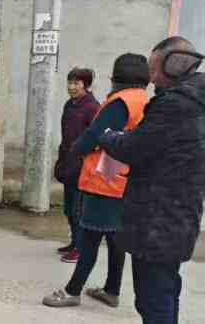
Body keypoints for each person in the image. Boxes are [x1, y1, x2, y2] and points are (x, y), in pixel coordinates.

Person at [99, 37, 205, 324]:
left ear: (175, 65)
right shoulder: (196, 99)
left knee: (153, 299)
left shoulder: (176, 104)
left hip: (158, 220)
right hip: (180, 214)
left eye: (155, 69)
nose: (152, 77)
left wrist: (108, 137)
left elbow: (135, 148)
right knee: (166, 290)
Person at [43, 53, 150, 308]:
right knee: (115, 238)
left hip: (105, 179)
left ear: (116, 77)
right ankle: (112, 290)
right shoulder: (143, 100)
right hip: (125, 178)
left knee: (89, 236)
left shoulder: (120, 102)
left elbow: (94, 135)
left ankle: (72, 291)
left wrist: (76, 150)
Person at [54, 67, 100, 263]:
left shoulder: (92, 107)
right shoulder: (69, 105)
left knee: (78, 209)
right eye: (70, 82)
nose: (71, 87)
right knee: (68, 208)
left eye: (76, 83)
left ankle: (80, 249)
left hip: (82, 166)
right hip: (68, 163)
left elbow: (97, 137)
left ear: (86, 85)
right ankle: (74, 242)